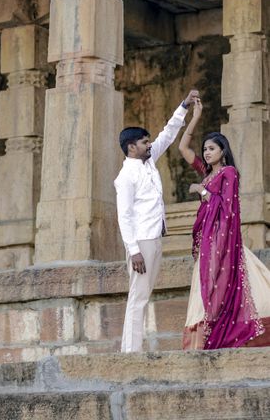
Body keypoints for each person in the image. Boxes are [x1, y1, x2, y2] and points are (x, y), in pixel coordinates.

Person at [179, 98, 270, 349]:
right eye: (205, 149)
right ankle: (207, 334)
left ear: (222, 150)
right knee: (205, 290)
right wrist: (195, 116)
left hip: (221, 241)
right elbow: (183, 149)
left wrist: (202, 191)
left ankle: (217, 334)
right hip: (208, 242)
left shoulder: (228, 173)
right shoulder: (208, 173)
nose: (207, 152)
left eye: (211, 148)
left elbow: (228, 208)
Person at [114, 90, 199, 353]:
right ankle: (130, 352)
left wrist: (183, 106)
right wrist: (134, 250)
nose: (149, 145)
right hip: (141, 242)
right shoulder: (126, 176)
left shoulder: (149, 162)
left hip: (154, 237)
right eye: (144, 142)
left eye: (148, 142)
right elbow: (124, 215)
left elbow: (168, 134)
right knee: (138, 297)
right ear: (132, 147)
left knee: (142, 295)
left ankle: (131, 350)